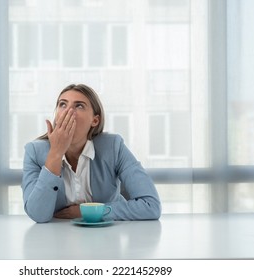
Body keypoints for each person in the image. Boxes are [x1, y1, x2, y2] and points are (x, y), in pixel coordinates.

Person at [21, 84, 161, 223]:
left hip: (106, 236)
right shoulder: (34, 152)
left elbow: (151, 206)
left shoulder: (113, 147)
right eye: (62, 104)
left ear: (95, 120)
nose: (68, 112)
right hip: (56, 238)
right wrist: (55, 154)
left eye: (79, 106)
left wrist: (87, 211)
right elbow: (38, 214)